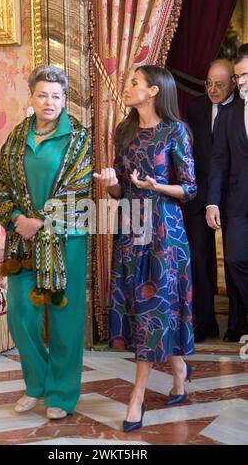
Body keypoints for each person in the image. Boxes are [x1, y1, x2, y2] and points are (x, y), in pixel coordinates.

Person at [94, 65, 197, 432]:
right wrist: (110, 185)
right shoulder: (123, 132)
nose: (127, 87)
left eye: (134, 82)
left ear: (153, 91)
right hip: (131, 227)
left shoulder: (176, 131)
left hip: (165, 233)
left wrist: (156, 186)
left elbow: (189, 189)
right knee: (141, 305)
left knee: (157, 303)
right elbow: (122, 189)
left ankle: (136, 396)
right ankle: (179, 367)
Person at [0, 65, 92, 419]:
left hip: (66, 239)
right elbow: (2, 182)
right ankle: (36, 383)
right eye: (42, 94)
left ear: (64, 100)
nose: (49, 101)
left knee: (65, 318)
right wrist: (17, 220)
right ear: (31, 97)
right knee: (20, 315)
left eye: (56, 96)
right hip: (22, 240)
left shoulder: (78, 137)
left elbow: (77, 189)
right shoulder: (17, 136)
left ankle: (61, 395)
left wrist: (42, 221)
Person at [185, 59, 238, 342]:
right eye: (209, 83)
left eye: (219, 84)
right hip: (201, 192)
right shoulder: (195, 108)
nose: (213, 90)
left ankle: (237, 323)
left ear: (233, 82)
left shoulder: (242, 107)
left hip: (235, 194)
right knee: (200, 257)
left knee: (234, 258)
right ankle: (204, 322)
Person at [206, 52, 248, 342]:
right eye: (239, 76)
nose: (242, 82)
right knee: (234, 261)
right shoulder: (228, 114)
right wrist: (212, 202)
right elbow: (218, 161)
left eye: (246, 75)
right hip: (237, 203)